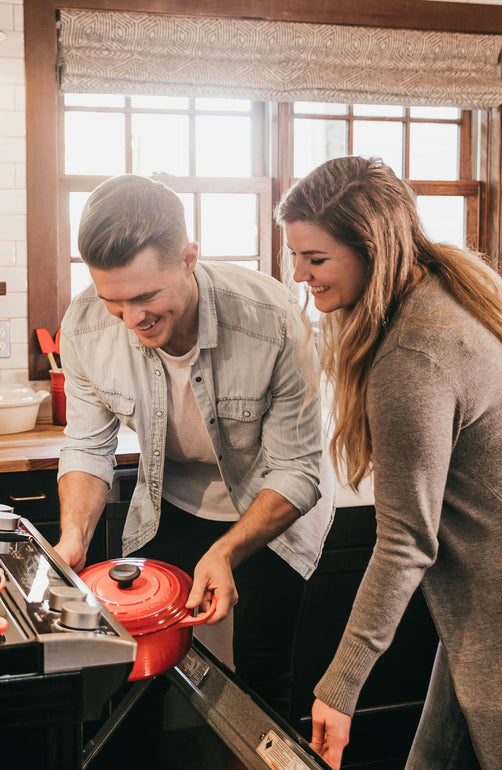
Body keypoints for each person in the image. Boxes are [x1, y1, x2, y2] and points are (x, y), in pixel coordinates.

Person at [54, 173, 335, 720]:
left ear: (188, 258)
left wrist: (226, 552)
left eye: (145, 297)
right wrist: (73, 537)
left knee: (259, 673)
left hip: (271, 508)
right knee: (140, 671)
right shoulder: (86, 326)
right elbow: (88, 446)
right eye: (114, 301)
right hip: (171, 504)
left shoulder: (272, 321)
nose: (132, 319)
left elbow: (298, 469)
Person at [275, 155, 502, 769]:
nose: (300, 274)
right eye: (295, 255)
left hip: (498, 622)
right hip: (478, 616)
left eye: (316, 259)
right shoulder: (449, 290)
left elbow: (406, 540)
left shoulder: (412, 353)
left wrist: (340, 686)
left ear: (373, 249)